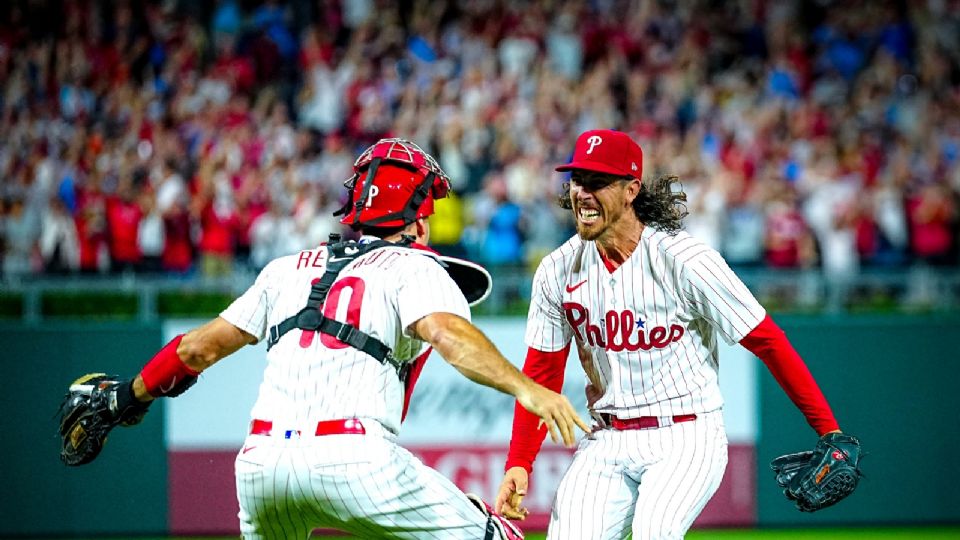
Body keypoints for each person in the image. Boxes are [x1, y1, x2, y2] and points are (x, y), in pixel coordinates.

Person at [83, 138, 589, 539]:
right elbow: (449, 334)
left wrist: (127, 395)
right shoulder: (413, 264)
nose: (429, 223)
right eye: (426, 212)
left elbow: (196, 350)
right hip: (356, 459)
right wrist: (527, 388)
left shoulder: (285, 269)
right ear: (412, 219)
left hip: (261, 466)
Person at [494, 130, 846, 539]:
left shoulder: (684, 259)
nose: (583, 193)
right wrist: (519, 461)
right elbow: (541, 374)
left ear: (631, 190)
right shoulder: (557, 270)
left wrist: (829, 430)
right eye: (578, 180)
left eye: (598, 183)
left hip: (686, 434)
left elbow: (767, 340)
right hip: (607, 438)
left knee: (654, 531)